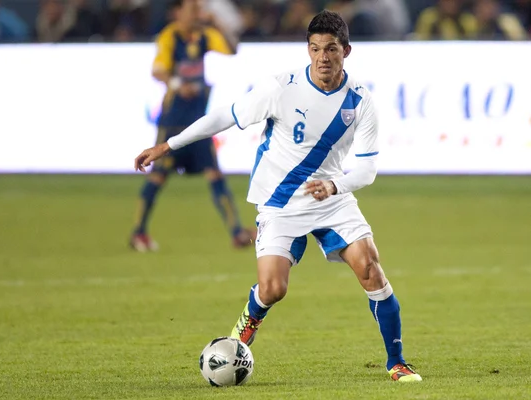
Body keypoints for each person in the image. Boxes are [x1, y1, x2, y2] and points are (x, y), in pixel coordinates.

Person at [134, 10, 422, 382]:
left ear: (346, 51)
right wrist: (168, 145)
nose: (323, 57)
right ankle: (247, 323)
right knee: (273, 289)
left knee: (370, 269)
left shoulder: (361, 103)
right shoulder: (281, 88)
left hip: (330, 197)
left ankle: (396, 362)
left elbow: (367, 169)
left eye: (331, 49)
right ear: (308, 50)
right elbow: (225, 116)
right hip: (280, 201)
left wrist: (335, 186)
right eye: (316, 49)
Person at [130, 0, 255, 252]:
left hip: (199, 122)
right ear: (177, 12)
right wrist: (177, 84)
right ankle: (138, 232)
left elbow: (232, 49)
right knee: (158, 176)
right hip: (173, 122)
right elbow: (158, 71)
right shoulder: (169, 37)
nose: (197, 13)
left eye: (198, 9)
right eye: (192, 9)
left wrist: (217, 23)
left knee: (214, 174)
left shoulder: (204, 35)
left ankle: (236, 232)